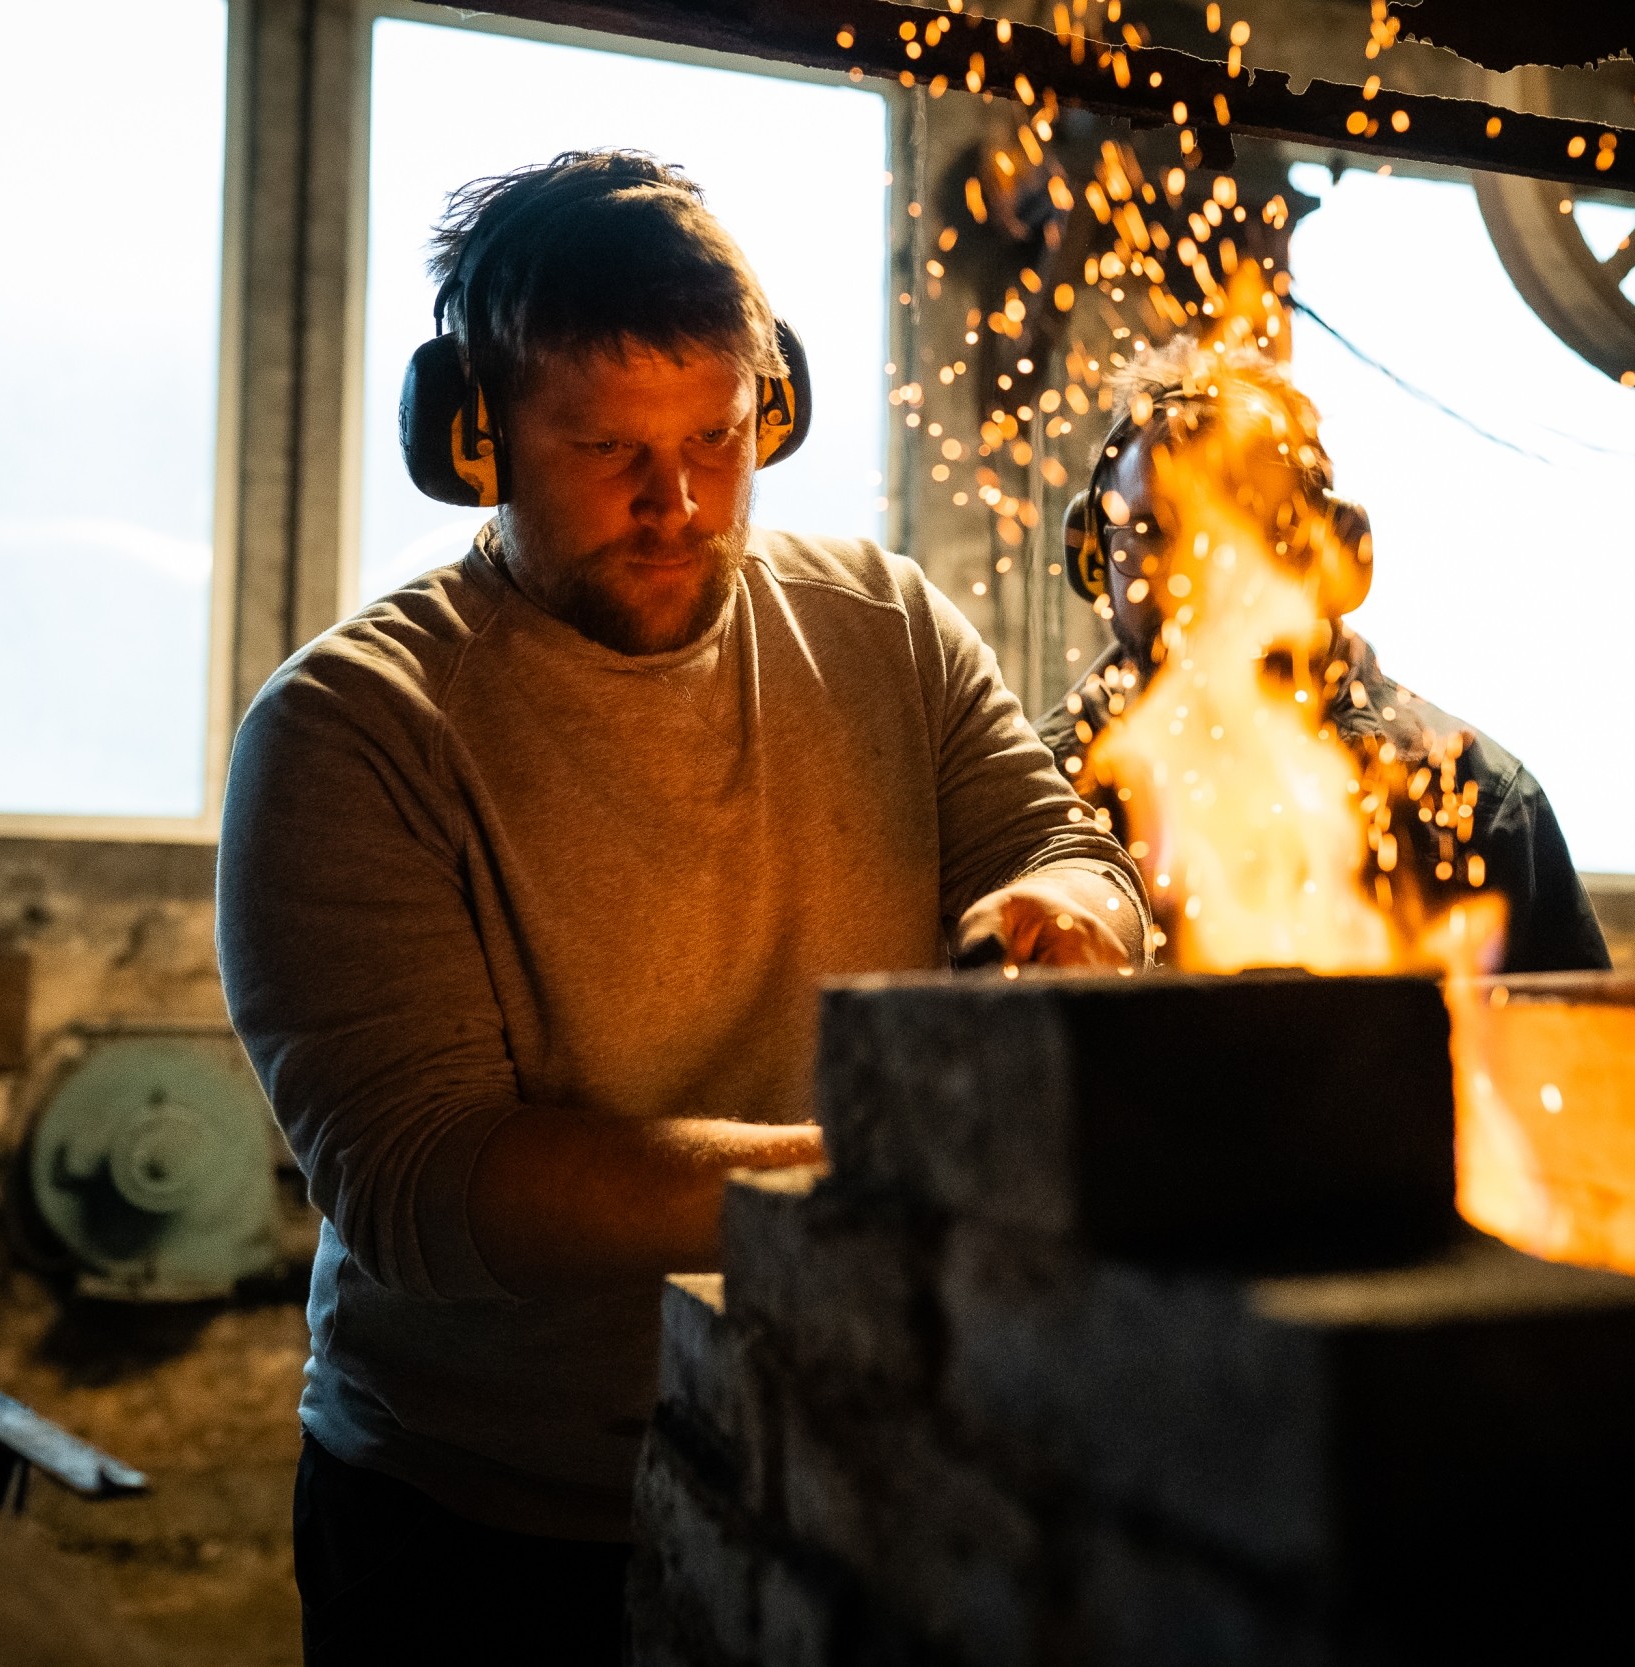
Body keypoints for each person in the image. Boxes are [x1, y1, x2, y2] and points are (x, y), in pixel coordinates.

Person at [216, 150, 1147, 1665]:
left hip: (841, 1463)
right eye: (603, 448)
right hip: (484, 1531)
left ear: (771, 406)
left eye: (719, 435)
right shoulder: (350, 728)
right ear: (477, 437)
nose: (680, 501)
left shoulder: (887, 627)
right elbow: (434, 1179)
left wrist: (1070, 900)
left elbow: (1065, 846)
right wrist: (873, 1173)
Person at [1036, 335, 1608, 974]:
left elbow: (1579, 1051)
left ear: (1332, 552)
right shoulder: (1037, 797)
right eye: (1153, 532)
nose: (1200, 576)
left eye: (1248, 526)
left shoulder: (1471, 801)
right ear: (1094, 553)